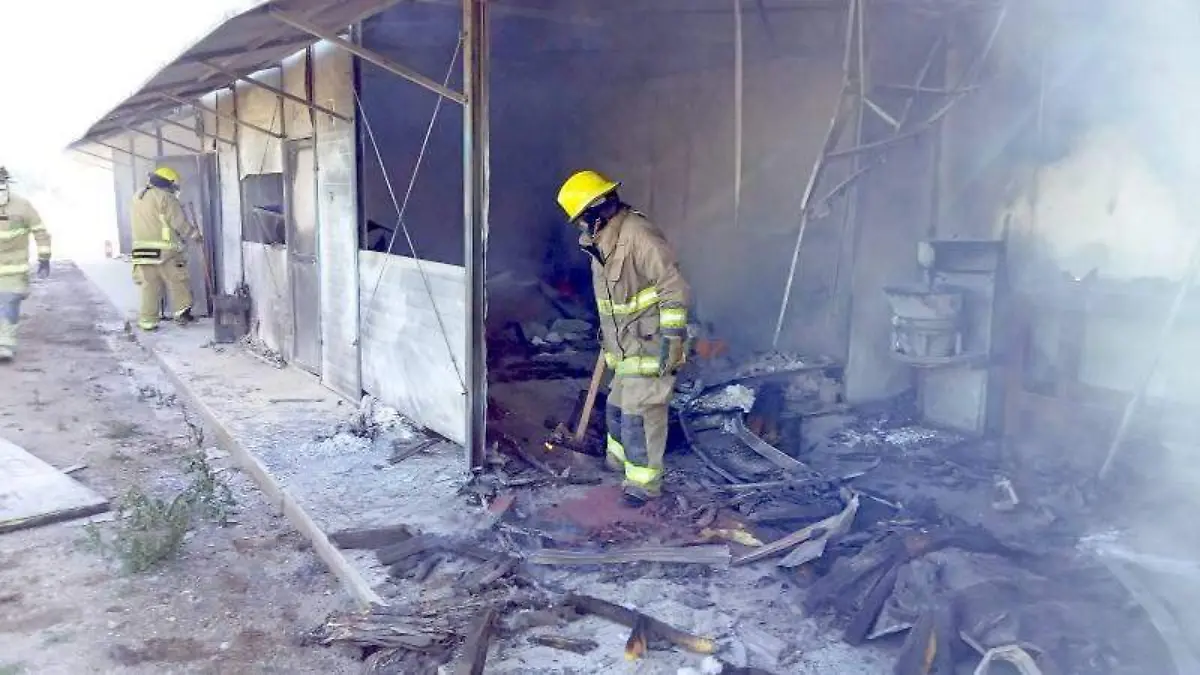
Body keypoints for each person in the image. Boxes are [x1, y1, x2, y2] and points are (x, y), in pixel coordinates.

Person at [556, 170, 691, 505]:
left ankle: (643, 485)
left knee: (639, 415)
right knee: (616, 410)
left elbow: (673, 286)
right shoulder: (602, 244)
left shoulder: (637, 236)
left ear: (594, 213)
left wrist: (672, 338)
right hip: (624, 347)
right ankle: (618, 466)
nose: (580, 227)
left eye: (580, 219)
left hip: (650, 343)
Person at [130, 166, 201, 330]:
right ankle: (181, 314)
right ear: (168, 184)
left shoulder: (138, 196)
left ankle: (147, 322)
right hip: (165, 252)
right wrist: (194, 234)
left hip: (141, 252)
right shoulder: (166, 198)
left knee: (149, 287)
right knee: (178, 280)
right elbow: (178, 222)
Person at [0, 166, 52, 363]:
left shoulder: (22, 206)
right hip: (14, 270)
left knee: (8, 305)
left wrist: (44, 257)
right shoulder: (23, 205)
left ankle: (5, 345)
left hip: (13, 271)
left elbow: (40, 231)